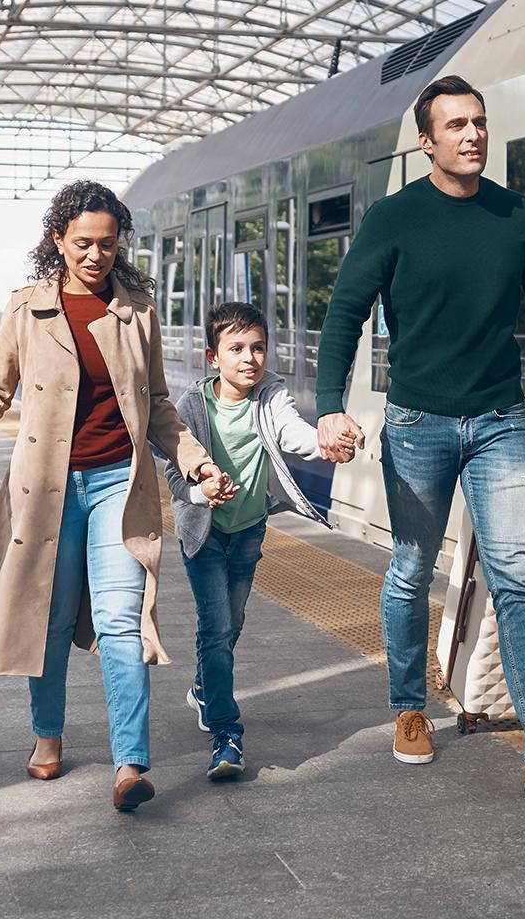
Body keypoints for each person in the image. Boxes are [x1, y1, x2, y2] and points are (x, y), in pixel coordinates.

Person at [315, 74, 525, 793]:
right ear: (427, 143)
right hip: (417, 426)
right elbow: (344, 315)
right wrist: (330, 405)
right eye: (455, 126)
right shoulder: (393, 219)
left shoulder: (515, 214)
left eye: (479, 122)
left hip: (501, 422)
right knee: (412, 571)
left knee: (516, 576)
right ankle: (409, 708)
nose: (473, 134)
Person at [0, 180, 229, 812]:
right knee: (52, 619)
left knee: (122, 622)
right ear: (57, 240)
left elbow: (160, 406)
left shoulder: (136, 308)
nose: (96, 256)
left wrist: (197, 463)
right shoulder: (26, 308)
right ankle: (47, 733)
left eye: (108, 244)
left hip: (121, 481)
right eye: (83, 244)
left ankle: (131, 763)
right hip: (48, 488)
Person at [161, 301, 329, 781]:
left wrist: (324, 442)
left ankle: (202, 686)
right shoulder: (193, 405)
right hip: (205, 534)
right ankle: (226, 735)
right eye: (236, 348)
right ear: (213, 357)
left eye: (258, 347)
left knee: (232, 625)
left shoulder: (270, 395)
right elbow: (174, 473)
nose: (249, 358)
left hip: (250, 531)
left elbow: (292, 432)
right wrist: (201, 489)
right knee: (215, 629)